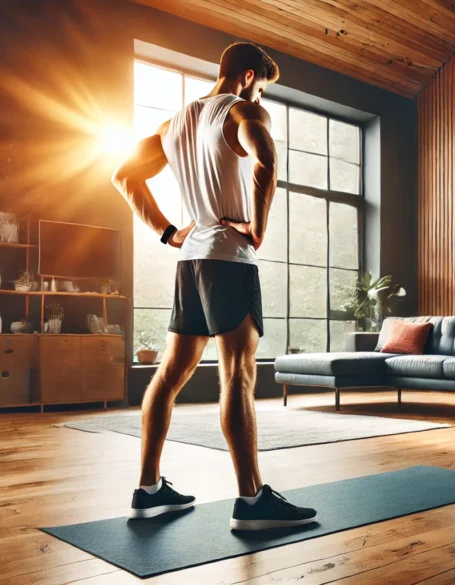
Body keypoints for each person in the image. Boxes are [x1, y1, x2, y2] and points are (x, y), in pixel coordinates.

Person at [111, 42, 317, 531]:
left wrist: (167, 231)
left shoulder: (174, 124)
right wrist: (259, 227)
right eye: (263, 88)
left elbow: (123, 175)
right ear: (248, 77)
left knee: (169, 375)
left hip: (191, 261)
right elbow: (266, 159)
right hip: (229, 259)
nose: (262, 99)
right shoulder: (243, 111)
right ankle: (251, 501)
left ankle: (148, 488)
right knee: (238, 377)